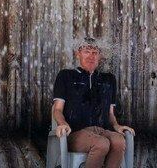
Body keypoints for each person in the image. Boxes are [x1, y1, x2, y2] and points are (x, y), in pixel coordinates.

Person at [52, 37, 134, 168]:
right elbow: (57, 110)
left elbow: (110, 114)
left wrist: (117, 126)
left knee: (119, 141)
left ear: (100, 56)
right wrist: (62, 124)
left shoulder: (109, 79)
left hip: (102, 130)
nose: (91, 56)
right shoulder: (65, 76)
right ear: (78, 54)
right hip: (75, 133)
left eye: (95, 52)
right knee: (101, 144)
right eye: (87, 51)